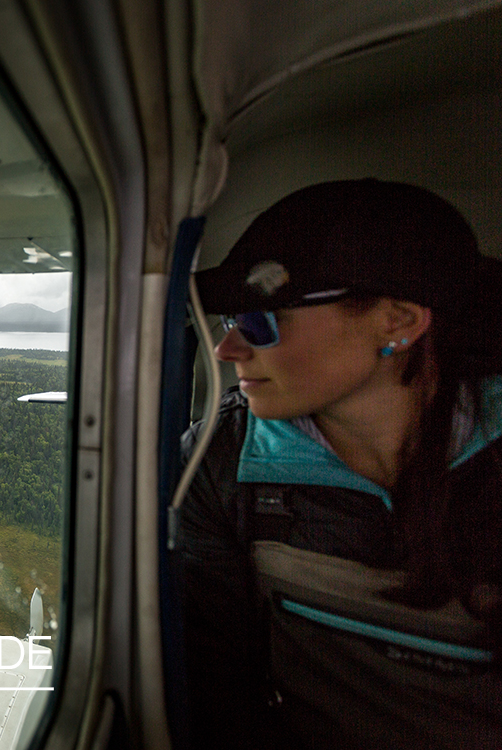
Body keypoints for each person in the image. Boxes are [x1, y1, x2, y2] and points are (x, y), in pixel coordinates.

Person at [177, 179, 502, 749]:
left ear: (397, 321)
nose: (229, 350)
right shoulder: (220, 461)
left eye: (261, 321)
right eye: (231, 322)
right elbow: (214, 679)